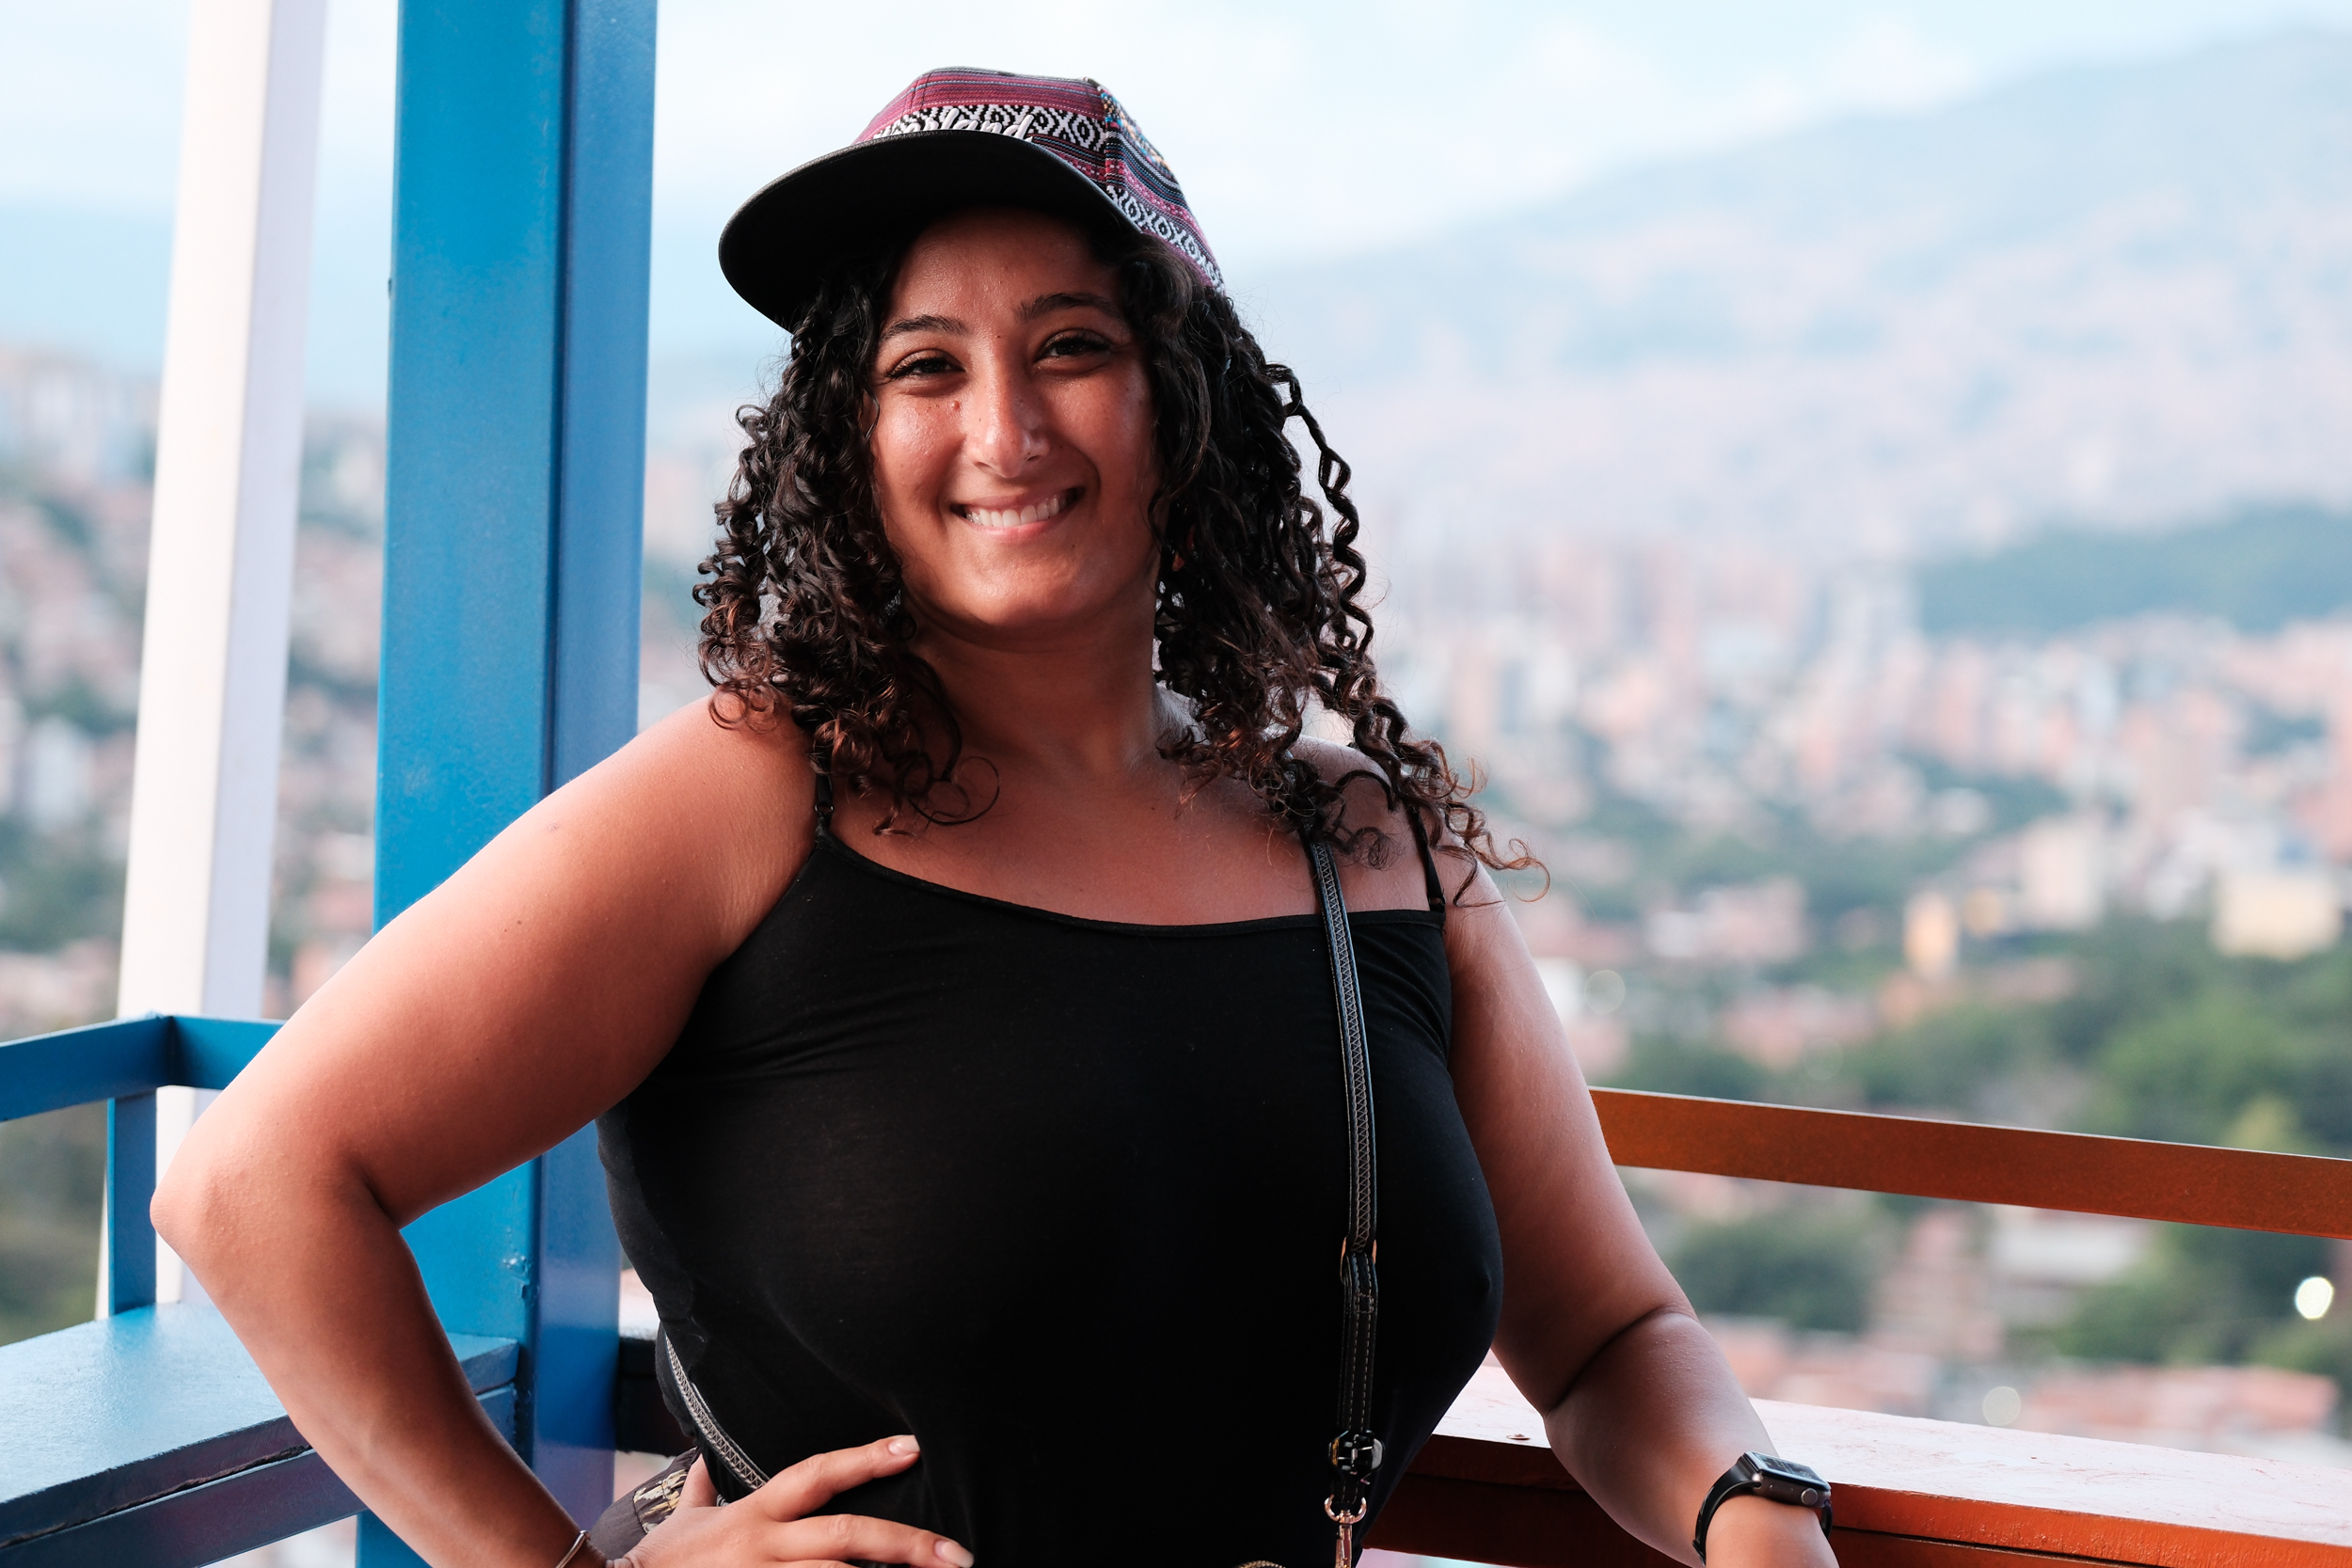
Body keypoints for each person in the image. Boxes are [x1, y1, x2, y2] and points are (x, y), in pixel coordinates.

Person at [156, 68, 1842, 1568]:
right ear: (851, 436)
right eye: (925, 366)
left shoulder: (1371, 845)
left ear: (1183, 402)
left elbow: (1609, 1338)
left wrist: (1755, 1512)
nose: (1005, 431)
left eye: (1072, 348)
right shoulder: (755, 796)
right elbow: (256, 1183)